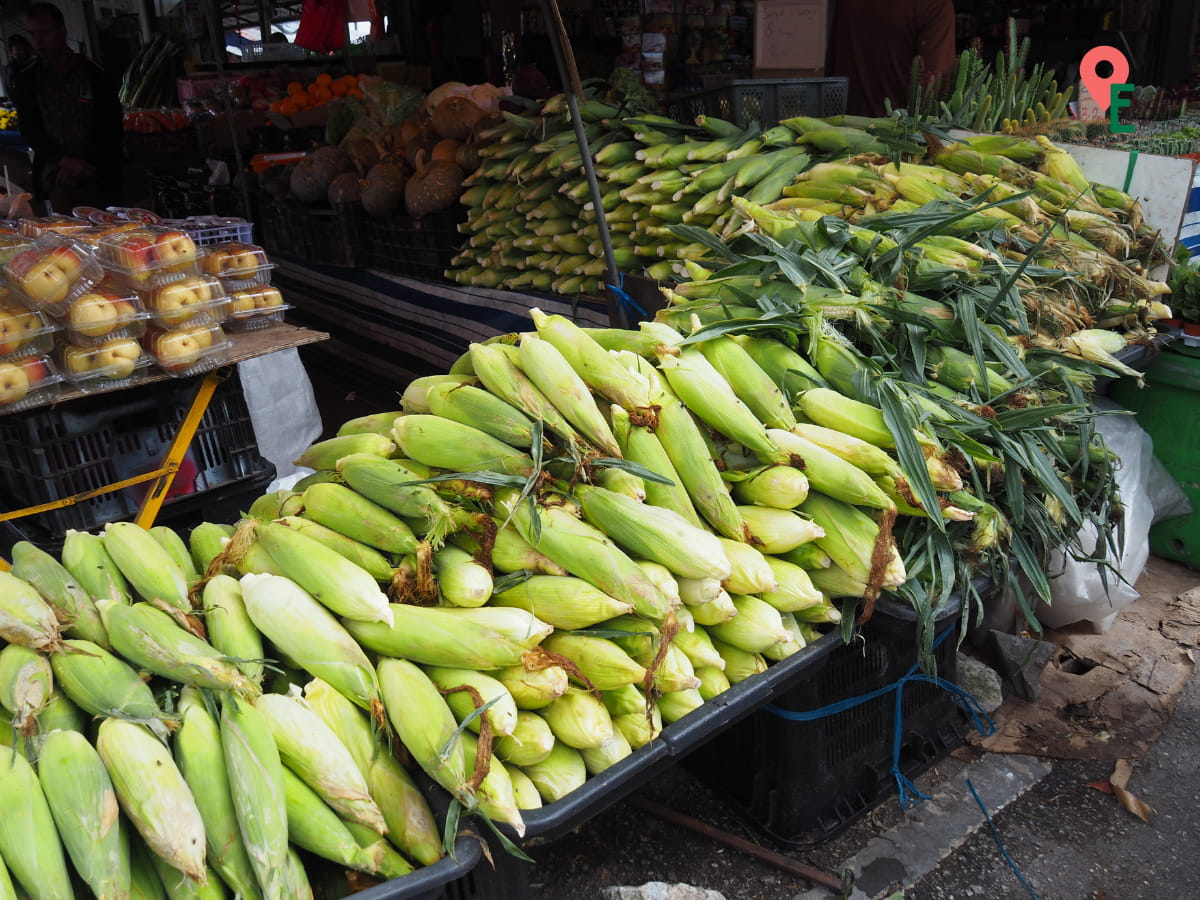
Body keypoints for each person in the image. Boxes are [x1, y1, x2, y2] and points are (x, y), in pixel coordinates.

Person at [10, 2, 123, 213]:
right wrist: (64, 161)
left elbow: (111, 124)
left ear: (62, 31)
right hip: (54, 174)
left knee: (105, 230)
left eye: (44, 33)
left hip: (96, 171)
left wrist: (79, 165)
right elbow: (30, 128)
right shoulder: (27, 78)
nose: (38, 41)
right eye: (32, 34)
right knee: (63, 234)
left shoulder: (93, 72)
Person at [826, 0, 957, 118]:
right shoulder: (936, 5)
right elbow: (936, 89)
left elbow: (832, 61)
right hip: (898, 136)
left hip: (840, 128)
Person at [3, 34, 33, 100]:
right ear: (11, 53)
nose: (22, 51)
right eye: (18, 48)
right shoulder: (11, 69)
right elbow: (11, 93)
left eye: (23, 48)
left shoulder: (34, 63)